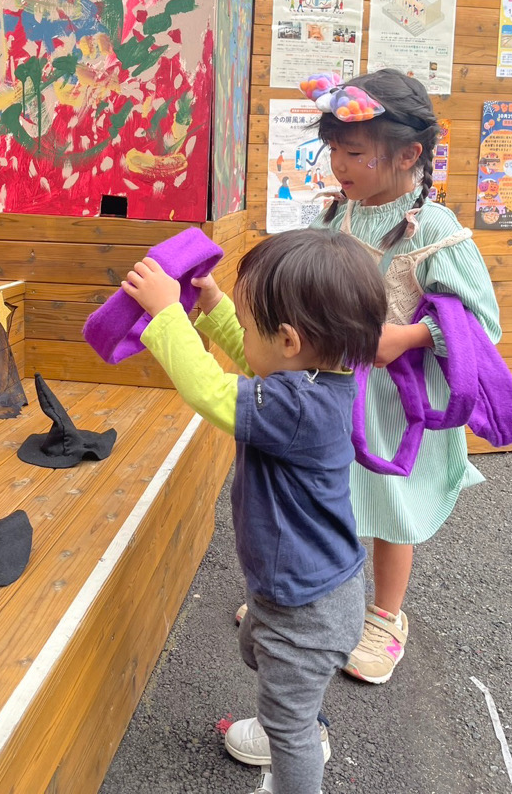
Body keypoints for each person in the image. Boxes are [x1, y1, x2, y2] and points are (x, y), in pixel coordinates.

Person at [121, 229, 388, 794]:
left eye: (247, 326)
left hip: (306, 606)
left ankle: (295, 751)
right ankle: (292, 722)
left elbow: (210, 391)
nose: (244, 339)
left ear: (290, 340)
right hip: (303, 587)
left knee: (287, 711)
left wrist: (168, 315)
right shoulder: (319, 378)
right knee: (258, 655)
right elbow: (254, 357)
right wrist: (219, 307)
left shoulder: (296, 407)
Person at [309, 68, 500, 686]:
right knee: (331, 494)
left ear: (408, 155)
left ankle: (386, 617)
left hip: (400, 399)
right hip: (337, 383)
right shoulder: (337, 212)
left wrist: (411, 336)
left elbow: (483, 325)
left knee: (391, 508)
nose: (339, 163)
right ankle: (319, 602)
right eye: (333, 148)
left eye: (354, 152)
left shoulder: (436, 229)